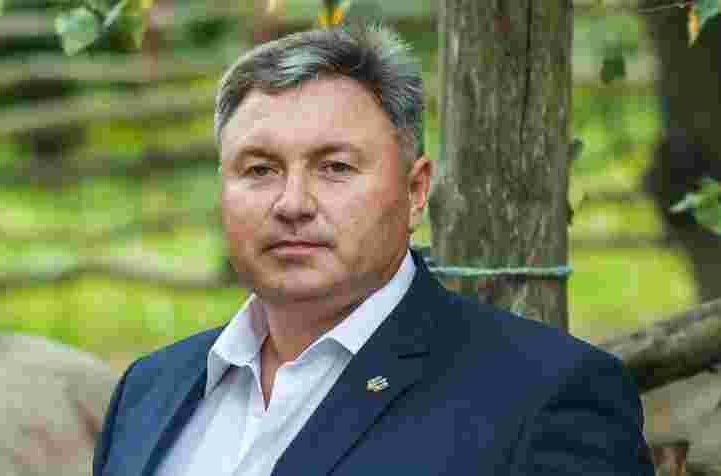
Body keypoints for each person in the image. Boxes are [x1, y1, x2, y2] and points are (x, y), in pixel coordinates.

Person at [93, 25, 655, 476]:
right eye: (260, 169)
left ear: (415, 191)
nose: (292, 203)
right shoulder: (149, 389)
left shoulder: (543, 397)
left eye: (335, 167)